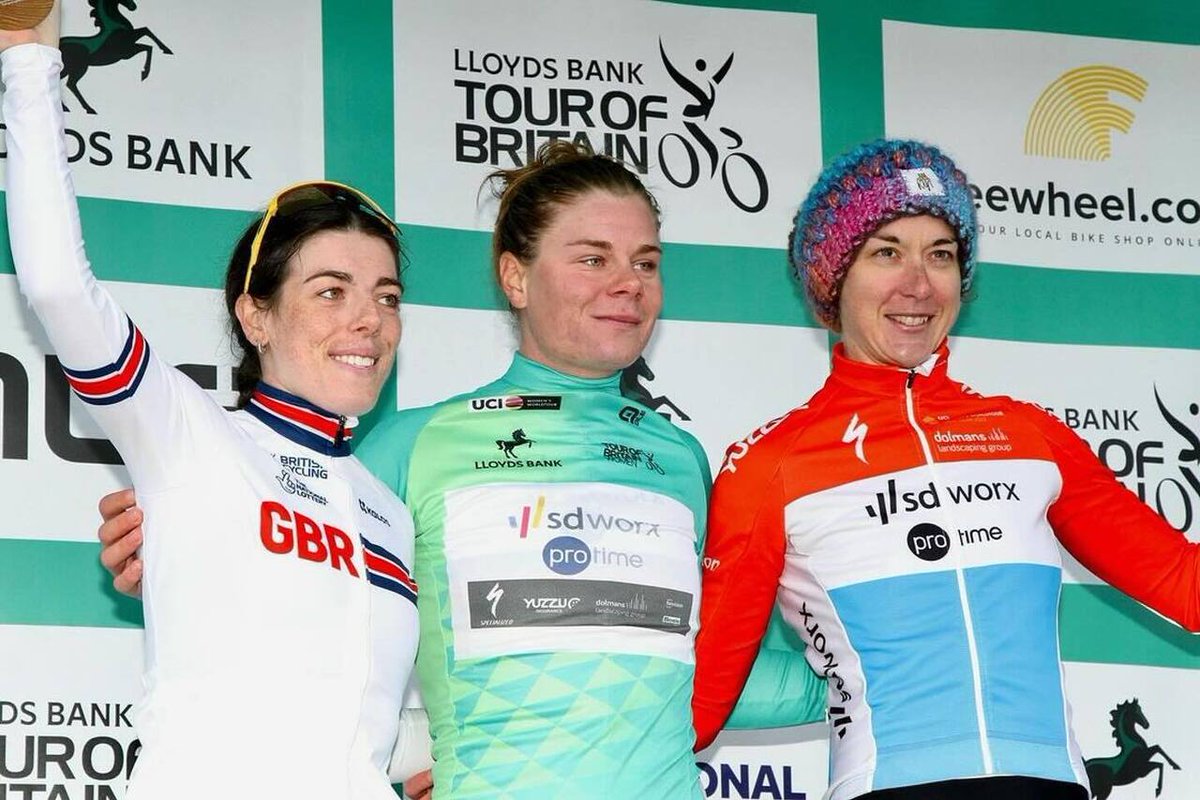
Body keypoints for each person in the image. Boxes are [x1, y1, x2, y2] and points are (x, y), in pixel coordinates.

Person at [97, 139, 826, 798]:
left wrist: (879, 665)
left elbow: (719, 671)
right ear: (515, 277)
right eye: (593, 258)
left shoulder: (682, 459)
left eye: (646, 262)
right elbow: (311, 608)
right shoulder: (416, 446)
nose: (628, 283)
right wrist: (181, 524)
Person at [691, 138, 1200, 800]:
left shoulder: (1028, 434)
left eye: (941, 254)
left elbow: (1179, 579)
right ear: (832, 281)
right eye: (886, 252)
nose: (918, 283)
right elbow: (700, 699)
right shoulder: (771, 464)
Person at [1, 9, 421, 800]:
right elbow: (58, 284)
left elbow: (381, 735)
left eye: (386, 296)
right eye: (330, 292)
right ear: (253, 315)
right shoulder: (188, 434)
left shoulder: (390, 513)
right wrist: (27, 58)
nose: (369, 319)